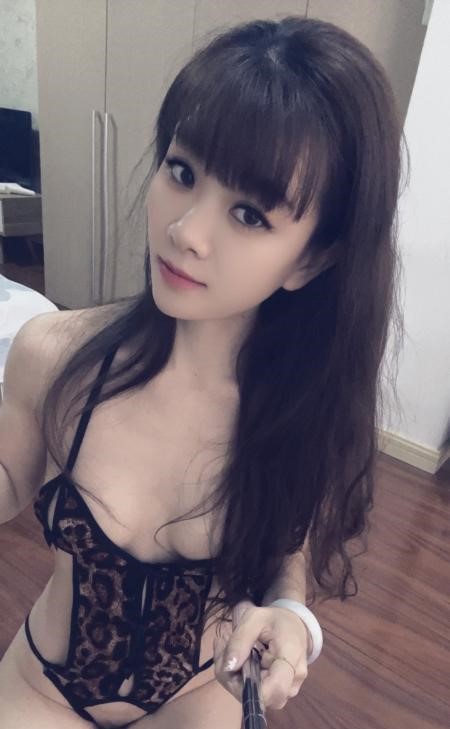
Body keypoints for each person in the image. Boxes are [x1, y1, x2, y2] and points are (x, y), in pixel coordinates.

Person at [0, 14, 404, 729]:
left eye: (249, 214)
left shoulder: (300, 411)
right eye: (182, 172)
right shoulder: (53, 357)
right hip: (46, 686)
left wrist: (292, 615)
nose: (185, 230)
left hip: (200, 693)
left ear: (312, 259)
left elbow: (282, 550)